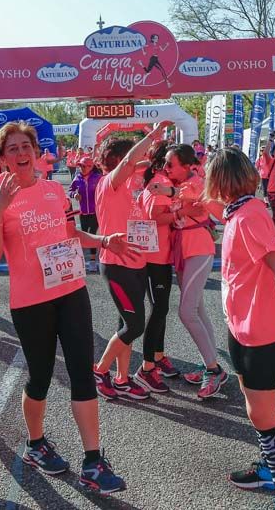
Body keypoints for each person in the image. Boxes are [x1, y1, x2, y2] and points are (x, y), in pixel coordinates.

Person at [0, 121, 131, 494]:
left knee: (82, 372)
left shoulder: (53, 190)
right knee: (41, 377)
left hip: (71, 291)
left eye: (26, 146)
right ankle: (35, 443)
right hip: (30, 301)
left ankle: (93, 461)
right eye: (12, 148)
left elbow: (70, 234)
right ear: (2, 157)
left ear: (36, 152)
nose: (21, 153)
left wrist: (103, 240)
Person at [204, 148, 275, 510]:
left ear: (221, 181)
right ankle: (269, 468)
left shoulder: (249, 216)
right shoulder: (238, 211)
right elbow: (213, 209)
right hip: (240, 325)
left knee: (262, 414)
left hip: (261, 329)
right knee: (255, 403)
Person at [92, 122, 172, 402]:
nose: (138, 161)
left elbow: (142, 165)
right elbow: (130, 162)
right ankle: (100, 371)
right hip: (118, 266)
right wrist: (151, 135)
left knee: (125, 326)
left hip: (137, 264)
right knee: (135, 326)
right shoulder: (109, 183)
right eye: (133, 157)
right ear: (117, 160)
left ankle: (122, 379)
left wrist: (155, 158)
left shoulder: (129, 186)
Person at [148, 143, 228, 399]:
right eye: (165, 163)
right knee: (198, 309)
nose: (166, 168)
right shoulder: (179, 183)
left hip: (199, 248)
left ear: (187, 166)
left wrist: (168, 190)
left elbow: (193, 193)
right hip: (183, 250)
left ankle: (214, 370)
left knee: (187, 311)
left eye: (170, 164)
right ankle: (210, 363)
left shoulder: (197, 182)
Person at [134, 140, 180, 393]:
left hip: (159, 254)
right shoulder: (161, 180)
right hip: (154, 256)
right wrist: (180, 213)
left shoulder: (159, 179)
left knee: (161, 308)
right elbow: (155, 216)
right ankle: (147, 366)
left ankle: (158, 356)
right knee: (159, 308)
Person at [67, 156, 103, 271]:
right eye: (80, 166)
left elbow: (105, 191)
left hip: (95, 212)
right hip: (83, 212)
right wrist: (74, 195)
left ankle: (92, 261)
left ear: (90, 167)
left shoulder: (98, 178)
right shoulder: (77, 178)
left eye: (84, 166)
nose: (82, 168)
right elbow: (70, 190)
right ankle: (81, 260)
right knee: (82, 236)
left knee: (91, 234)